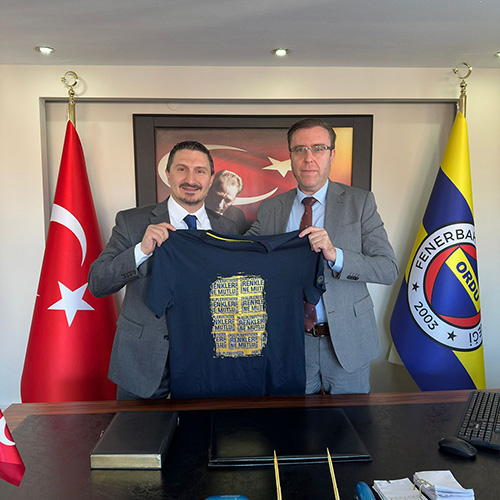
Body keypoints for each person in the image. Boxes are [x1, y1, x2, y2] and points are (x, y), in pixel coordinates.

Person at [247, 117, 398, 394]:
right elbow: (242, 254)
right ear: (290, 156)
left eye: (318, 148)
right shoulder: (270, 209)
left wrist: (335, 254)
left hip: (348, 342)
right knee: (294, 420)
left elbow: (387, 269)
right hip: (290, 343)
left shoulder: (360, 202)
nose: (308, 158)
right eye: (299, 149)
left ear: (332, 155)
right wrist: (184, 238)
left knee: (350, 421)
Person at [88, 140, 237, 400]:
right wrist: (140, 251)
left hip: (207, 361)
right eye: (182, 169)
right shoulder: (132, 222)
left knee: (202, 427)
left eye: (200, 171)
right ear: (167, 174)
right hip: (142, 361)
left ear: (211, 179)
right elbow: (97, 282)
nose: (191, 179)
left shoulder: (228, 229)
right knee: (137, 428)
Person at [205, 169, 251, 234]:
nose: (220, 205)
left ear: (234, 199)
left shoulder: (238, 216)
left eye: (227, 200)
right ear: (210, 188)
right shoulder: (196, 207)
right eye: (218, 197)